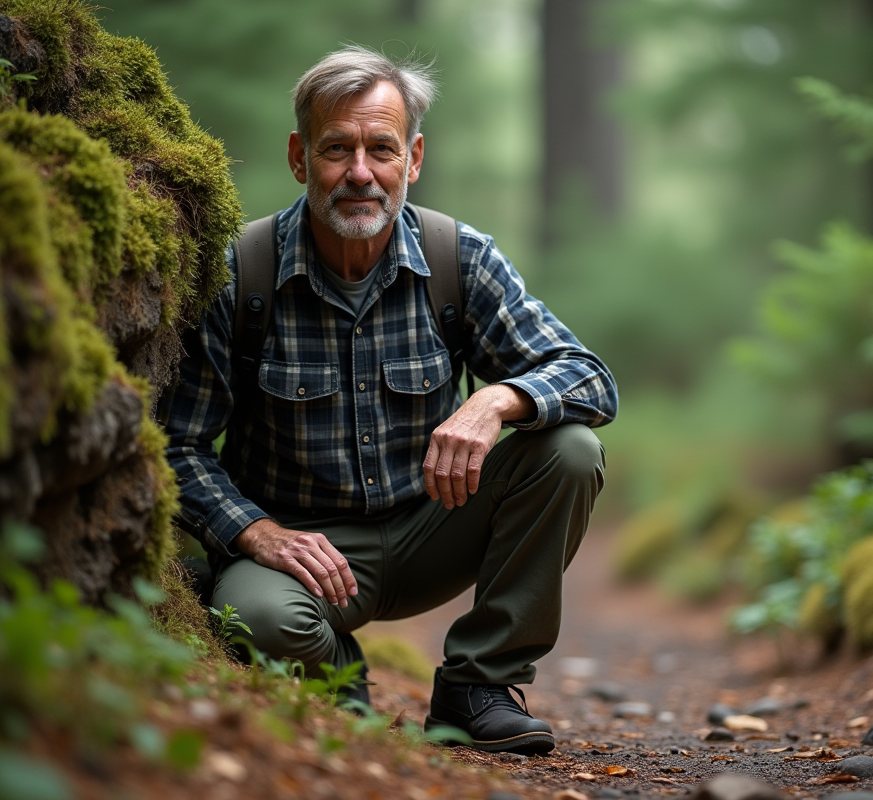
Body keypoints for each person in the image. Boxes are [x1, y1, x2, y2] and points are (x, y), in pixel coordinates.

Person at [163, 45, 618, 756]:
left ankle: (478, 686)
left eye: (381, 148)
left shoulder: (458, 258)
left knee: (570, 450)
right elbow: (177, 443)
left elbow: (588, 377)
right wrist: (255, 533)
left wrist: (496, 400)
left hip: (436, 528)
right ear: (299, 157)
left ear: (413, 158)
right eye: (336, 149)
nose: (360, 173)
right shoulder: (241, 274)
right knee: (255, 618)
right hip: (300, 554)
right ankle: (334, 670)